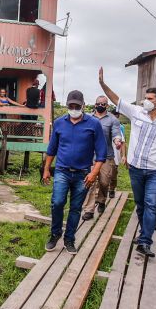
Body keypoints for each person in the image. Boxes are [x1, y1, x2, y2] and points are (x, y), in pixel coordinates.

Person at [98, 67, 156, 258]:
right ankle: (145, 233)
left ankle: (144, 241)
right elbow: (116, 99)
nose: (145, 101)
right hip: (136, 168)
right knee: (141, 204)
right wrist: (103, 84)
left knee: (152, 204)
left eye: (150, 99)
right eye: (145, 98)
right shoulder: (136, 112)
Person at [42, 90, 107, 254]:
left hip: (83, 174)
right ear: (67, 105)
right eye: (71, 106)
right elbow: (51, 149)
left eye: (77, 106)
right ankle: (55, 234)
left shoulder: (93, 124)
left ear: (83, 105)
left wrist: (93, 174)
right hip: (62, 171)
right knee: (57, 202)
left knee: (76, 208)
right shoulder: (59, 123)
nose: (74, 108)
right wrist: (46, 170)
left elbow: (101, 154)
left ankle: (69, 239)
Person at [82, 96, 123, 220]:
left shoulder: (112, 119)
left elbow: (116, 133)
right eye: (98, 103)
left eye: (103, 104)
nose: (101, 105)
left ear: (107, 105)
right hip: (90, 156)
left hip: (106, 156)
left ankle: (101, 200)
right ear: (95, 104)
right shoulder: (88, 118)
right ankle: (89, 210)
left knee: (104, 182)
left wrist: (117, 141)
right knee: (90, 182)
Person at [109, 109, 127, 198]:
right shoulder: (102, 125)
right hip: (103, 155)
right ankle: (99, 195)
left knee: (113, 173)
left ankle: (111, 189)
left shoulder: (120, 128)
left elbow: (123, 142)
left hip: (115, 154)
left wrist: (123, 155)